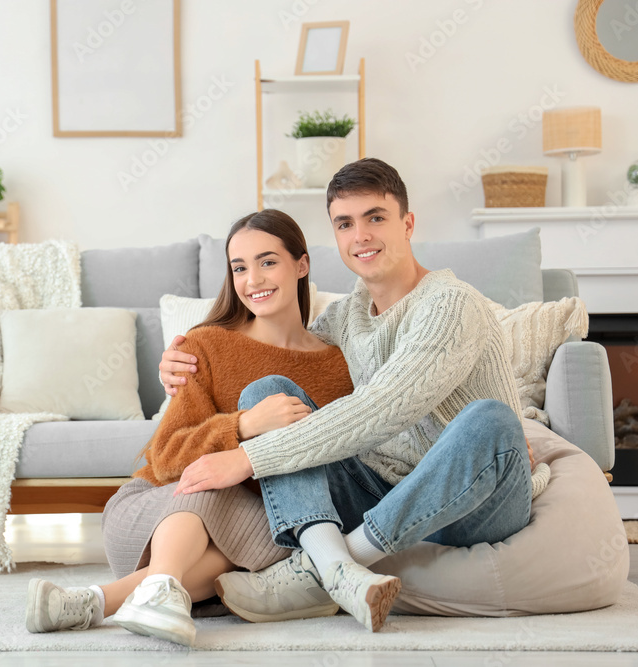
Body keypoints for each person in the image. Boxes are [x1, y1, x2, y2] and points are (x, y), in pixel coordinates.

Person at [160, 158, 538, 632]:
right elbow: (283, 351)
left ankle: (325, 569)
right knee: (269, 392)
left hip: (474, 498)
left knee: (489, 420)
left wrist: (248, 458)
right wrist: (181, 361)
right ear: (335, 236)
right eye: (345, 223)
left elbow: (383, 408)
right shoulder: (348, 314)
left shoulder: (450, 304)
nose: (361, 235)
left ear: (408, 223)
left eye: (375, 217)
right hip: (381, 487)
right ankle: (335, 565)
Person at [25, 209, 353, 646]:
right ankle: (153, 586)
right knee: (210, 483)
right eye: (240, 267)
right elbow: (166, 458)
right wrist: (244, 425)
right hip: (161, 513)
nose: (253, 279)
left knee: (284, 538)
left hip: (257, 533)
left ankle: (104, 601)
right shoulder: (205, 345)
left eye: (268, 261)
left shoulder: (338, 365)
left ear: (302, 265)